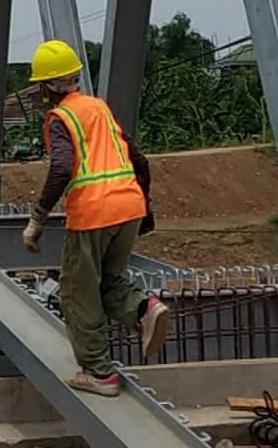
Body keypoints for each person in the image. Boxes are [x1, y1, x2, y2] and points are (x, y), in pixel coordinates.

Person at [21, 39, 168, 396]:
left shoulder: (60, 118)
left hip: (93, 214)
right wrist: (144, 209)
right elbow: (139, 159)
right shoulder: (99, 108)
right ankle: (145, 308)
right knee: (109, 280)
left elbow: (61, 167)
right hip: (128, 206)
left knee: (75, 291)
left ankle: (99, 373)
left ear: (46, 87)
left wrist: (38, 217)